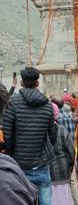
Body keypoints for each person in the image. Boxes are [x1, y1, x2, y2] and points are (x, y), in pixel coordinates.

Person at [3, 66, 57, 205]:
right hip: (41, 165)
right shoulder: (48, 106)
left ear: (21, 82)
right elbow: (52, 136)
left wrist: (11, 157)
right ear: (37, 83)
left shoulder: (12, 103)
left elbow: (7, 136)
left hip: (19, 167)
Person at [49, 102, 75, 205]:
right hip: (63, 170)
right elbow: (71, 151)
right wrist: (70, 165)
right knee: (64, 197)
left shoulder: (42, 131)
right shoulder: (62, 130)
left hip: (48, 172)